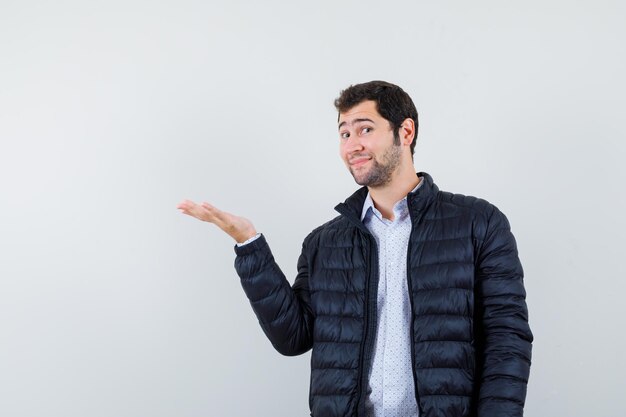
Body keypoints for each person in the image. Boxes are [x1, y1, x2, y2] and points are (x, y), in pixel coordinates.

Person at [177, 81, 533, 417]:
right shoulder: (325, 243)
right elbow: (293, 337)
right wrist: (249, 243)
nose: (352, 145)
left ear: (405, 132)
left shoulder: (477, 223)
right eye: (344, 133)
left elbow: (507, 340)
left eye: (365, 129)